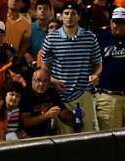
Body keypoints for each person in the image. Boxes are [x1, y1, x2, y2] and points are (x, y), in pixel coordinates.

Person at [42, 2, 102, 133]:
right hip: (61, 95)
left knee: (90, 135)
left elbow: (98, 64)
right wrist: (52, 80)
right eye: (66, 13)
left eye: (73, 13)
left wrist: (96, 75)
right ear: (61, 16)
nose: (69, 17)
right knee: (65, 138)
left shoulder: (90, 37)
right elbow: (44, 68)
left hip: (85, 91)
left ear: (79, 16)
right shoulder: (51, 38)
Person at [20, 67, 73, 137]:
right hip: (26, 136)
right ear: (33, 80)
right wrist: (47, 115)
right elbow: (26, 122)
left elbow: (63, 113)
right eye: (38, 80)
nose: (41, 84)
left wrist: (74, 114)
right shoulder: (26, 93)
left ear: (49, 83)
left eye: (45, 81)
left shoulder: (51, 92)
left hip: (45, 135)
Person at [28, 0, 52, 65]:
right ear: (36, 12)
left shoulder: (56, 27)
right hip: (34, 65)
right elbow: (25, 49)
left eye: (45, 8)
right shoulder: (30, 28)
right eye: (39, 8)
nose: (42, 11)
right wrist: (26, 55)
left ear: (50, 11)